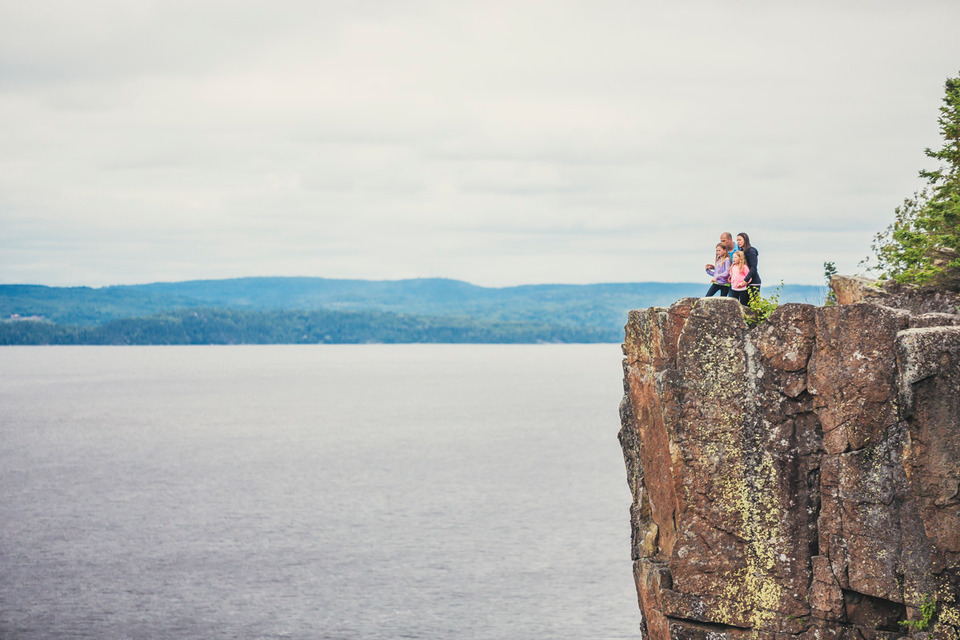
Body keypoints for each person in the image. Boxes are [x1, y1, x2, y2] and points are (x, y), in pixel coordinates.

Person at [736, 232, 761, 302]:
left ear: (745, 240)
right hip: (744, 283)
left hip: (753, 282)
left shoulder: (751, 251)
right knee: (743, 304)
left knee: (753, 305)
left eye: (739, 240)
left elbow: (753, 267)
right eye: (737, 240)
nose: (738, 242)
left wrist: (746, 280)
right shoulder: (741, 252)